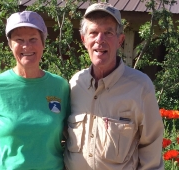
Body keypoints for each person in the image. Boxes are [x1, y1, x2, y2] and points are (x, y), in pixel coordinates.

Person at [64, 2, 164, 170]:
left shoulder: (140, 87)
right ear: (83, 39)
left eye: (108, 33)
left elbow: (151, 149)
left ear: (120, 40)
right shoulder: (75, 84)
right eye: (93, 33)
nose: (100, 40)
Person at [0, 11, 70, 170]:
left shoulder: (60, 86)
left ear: (43, 42)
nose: (26, 46)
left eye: (33, 39)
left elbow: (73, 136)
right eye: (19, 40)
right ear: (10, 45)